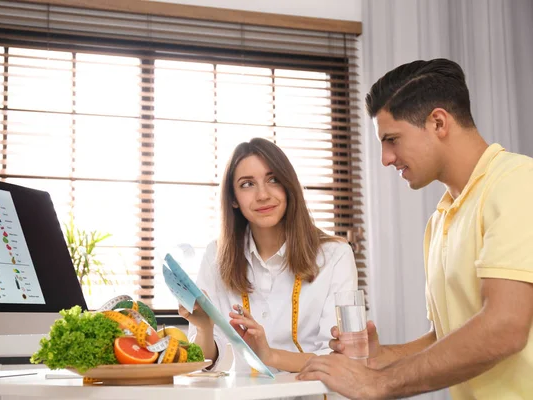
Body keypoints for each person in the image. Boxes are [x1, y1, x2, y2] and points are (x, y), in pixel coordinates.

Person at [297, 58, 533, 399]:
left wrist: (378, 384)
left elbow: (504, 328)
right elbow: (448, 336)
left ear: (438, 122)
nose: (385, 158)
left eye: (392, 139)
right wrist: (381, 359)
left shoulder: (516, 182)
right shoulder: (441, 219)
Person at [179, 137, 358, 374]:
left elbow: (340, 359)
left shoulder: (335, 256)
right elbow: (209, 365)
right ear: (233, 198)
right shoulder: (216, 255)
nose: (263, 195)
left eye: (273, 180)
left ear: (288, 186)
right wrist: (204, 328)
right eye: (247, 184)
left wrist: (271, 356)